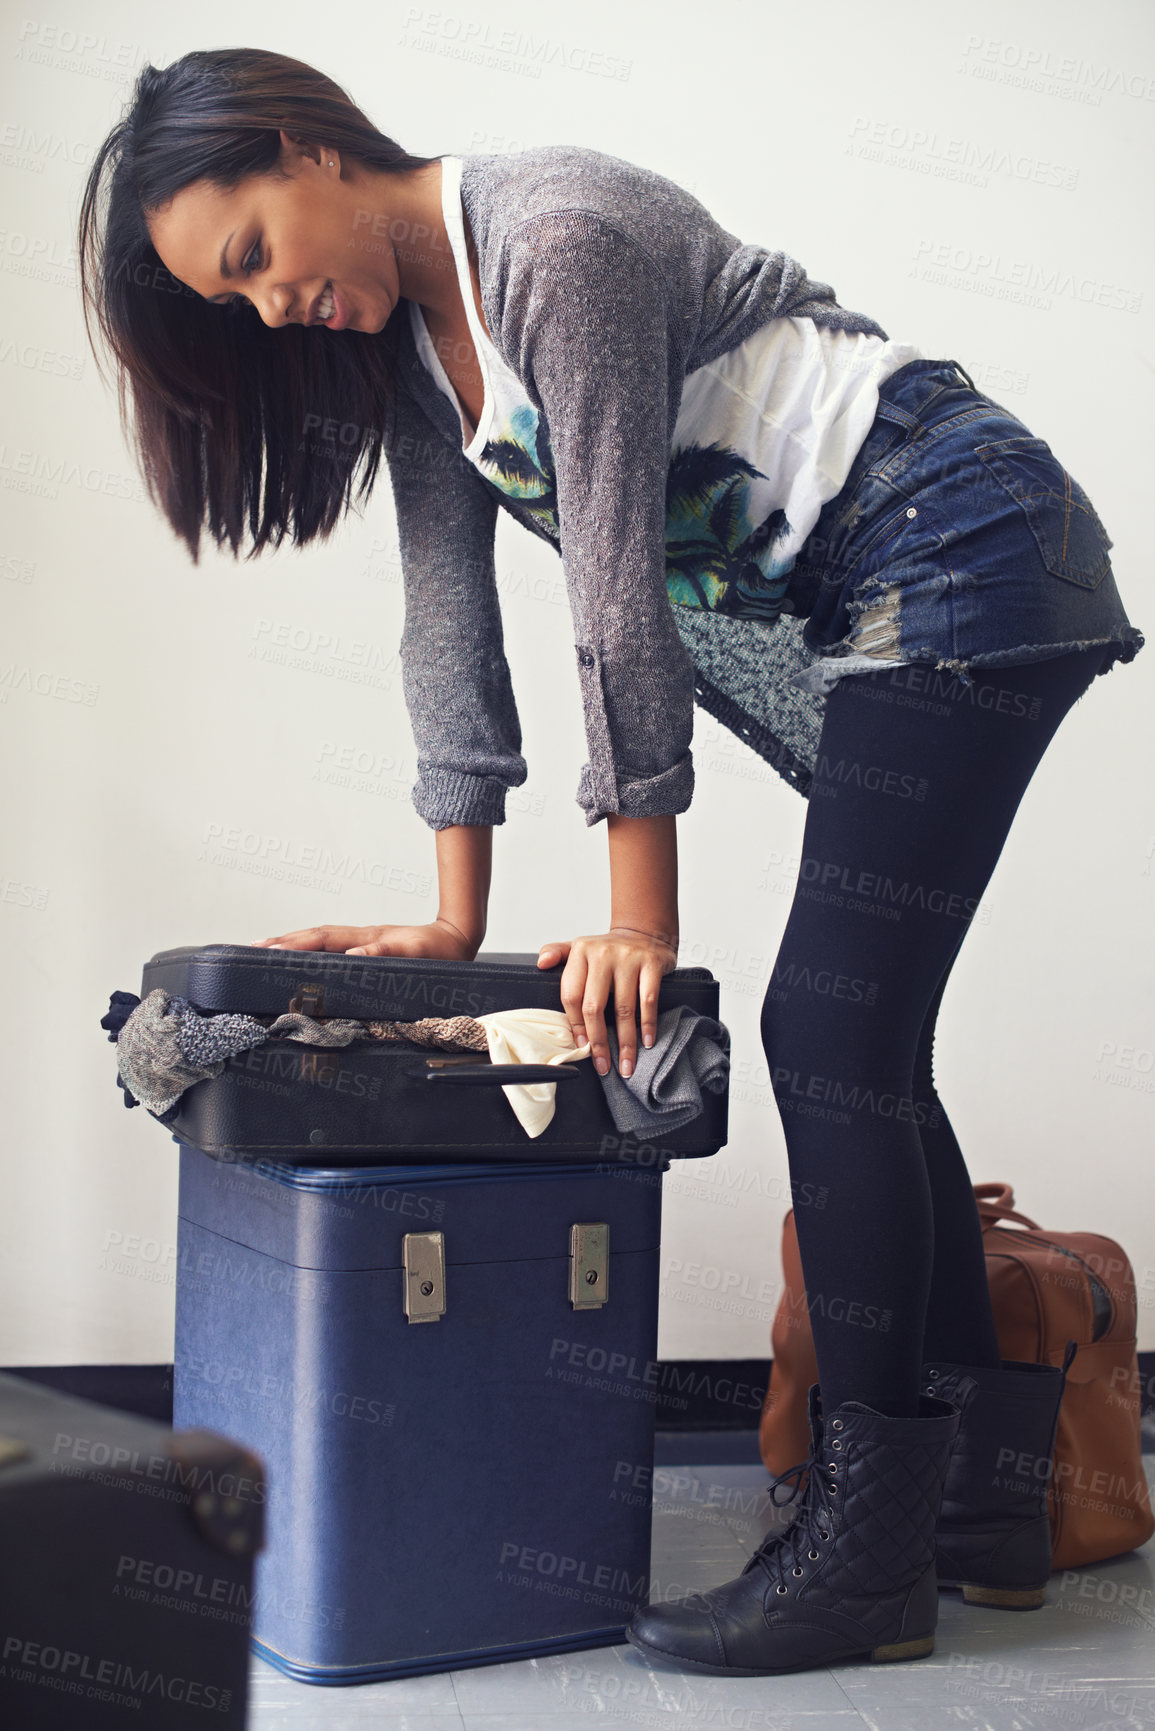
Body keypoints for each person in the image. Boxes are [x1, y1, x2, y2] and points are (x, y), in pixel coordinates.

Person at [78, 47, 1144, 1679]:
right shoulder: (422, 355)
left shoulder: (550, 243)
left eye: (250, 255)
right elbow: (450, 616)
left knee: (829, 1036)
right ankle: (982, 1517)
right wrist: (456, 919)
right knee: (866, 1043)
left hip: (965, 540)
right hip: (894, 589)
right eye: (237, 302)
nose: (272, 303)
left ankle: (863, 1563)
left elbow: (615, 600)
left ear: (304, 148)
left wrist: (635, 919)